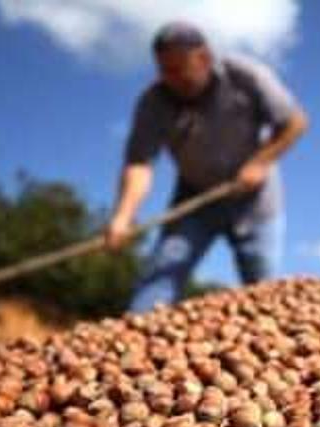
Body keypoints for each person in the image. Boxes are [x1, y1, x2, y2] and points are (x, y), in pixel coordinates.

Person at [104, 21, 309, 311]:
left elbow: (295, 122)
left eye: (180, 70)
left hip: (255, 199)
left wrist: (260, 163)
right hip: (195, 198)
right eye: (165, 70)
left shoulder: (245, 76)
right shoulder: (153, 103)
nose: (171, 79)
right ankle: (133, 335)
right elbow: (140, 164)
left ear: (204, 58)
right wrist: (123, 216)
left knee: (263, 292)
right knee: (160, 276)